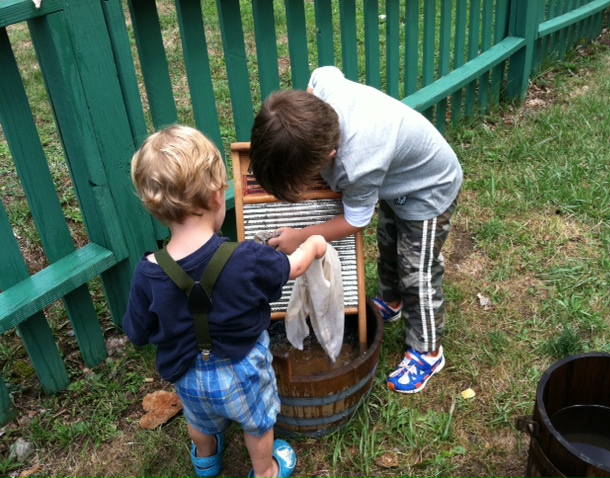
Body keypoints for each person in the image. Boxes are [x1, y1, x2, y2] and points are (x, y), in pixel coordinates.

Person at [123, 125, 327, 478]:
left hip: (187, 376)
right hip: (243, 371)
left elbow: (138, 333)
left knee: (200, 422)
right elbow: (292, 268)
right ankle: (265, 471)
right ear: (218, 196)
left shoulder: (148, 272)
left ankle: (206, 459)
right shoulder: (246, 258)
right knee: (258, 426)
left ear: (155, 209)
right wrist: (314, 245)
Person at [249, 66, 463, 395]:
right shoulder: (322, 91)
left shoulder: (359, 162)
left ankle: (428, 351)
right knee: (390, 241)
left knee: (416, 271)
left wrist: (300, 235)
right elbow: (325, 72)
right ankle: (392, 301)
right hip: (397, 183)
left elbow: (354, 222)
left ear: (330, 156)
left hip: (429, 190)